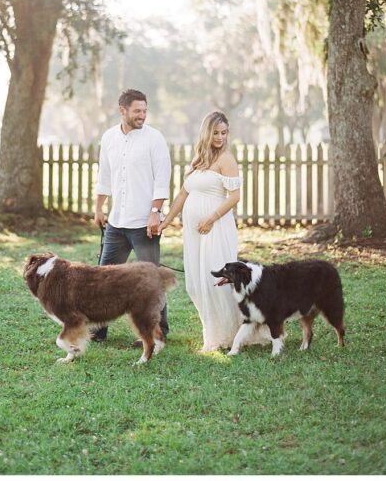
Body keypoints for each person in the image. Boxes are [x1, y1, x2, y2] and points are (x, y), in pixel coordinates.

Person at [160, 111, 266, 353]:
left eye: (224, 132)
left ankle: (231, 334)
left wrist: (211, 218)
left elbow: (235, 196)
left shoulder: (226, 160)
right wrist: (166, 221)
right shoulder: (198, 159)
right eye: (216, 132)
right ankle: (215, 332)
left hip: (216, 228)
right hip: (194, 232)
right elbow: (183, 194)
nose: (220, 137)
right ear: (206, 132)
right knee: (196, 284)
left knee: (217, 281)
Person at [92, 89, 172, 344]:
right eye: (137, 111)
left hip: (144, 224)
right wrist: (99, 208)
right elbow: (104, 176)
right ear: (122, 110)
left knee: (150, 281)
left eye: (145, 111)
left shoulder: (155, 139)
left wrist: (155, 213)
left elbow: (162, 179)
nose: (142, 115)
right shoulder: (108, 138)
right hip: (116, 222)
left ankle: (159, 330)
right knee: (103, 277)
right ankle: (99, 329)